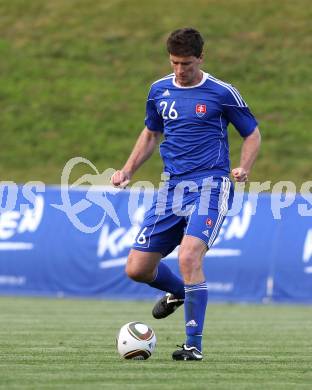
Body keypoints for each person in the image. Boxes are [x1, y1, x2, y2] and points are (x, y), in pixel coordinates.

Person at [111, 28, 261, 361]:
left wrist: (243, 167)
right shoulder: (159, 90)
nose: (181, 70)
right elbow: (151, 133)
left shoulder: (222, 93)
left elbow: (252, 134)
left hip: (211, 184)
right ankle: (179, 291)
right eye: (175, 63)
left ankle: (193, 344)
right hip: (172, 188)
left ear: (201, 58)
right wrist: (127, 171)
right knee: (136, 269)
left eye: (187, 63)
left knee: (189, 256)